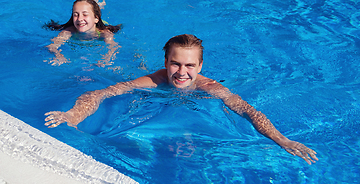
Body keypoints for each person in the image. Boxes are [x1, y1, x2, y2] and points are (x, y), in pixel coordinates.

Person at [45, 34, 318, 165]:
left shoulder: (209, 87)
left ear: (200, 66)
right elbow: (100, 93)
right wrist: (73, 115)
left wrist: (282, 139)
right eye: (175, 64)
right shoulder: (154, 81)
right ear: (165, 62)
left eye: (190, 66)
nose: (182, 73)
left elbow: (246, 110)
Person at [44, 0, 121, 66]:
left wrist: (106, 59)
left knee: (96, 8)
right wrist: (58, 55)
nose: (80, 19)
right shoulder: (69, 32)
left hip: (100, 23)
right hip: (90, 21)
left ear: (96, 19)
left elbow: (113, 48)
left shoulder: (104, 34)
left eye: (85, 14)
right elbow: (51, 46)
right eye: (76, 15)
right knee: (92, 9)